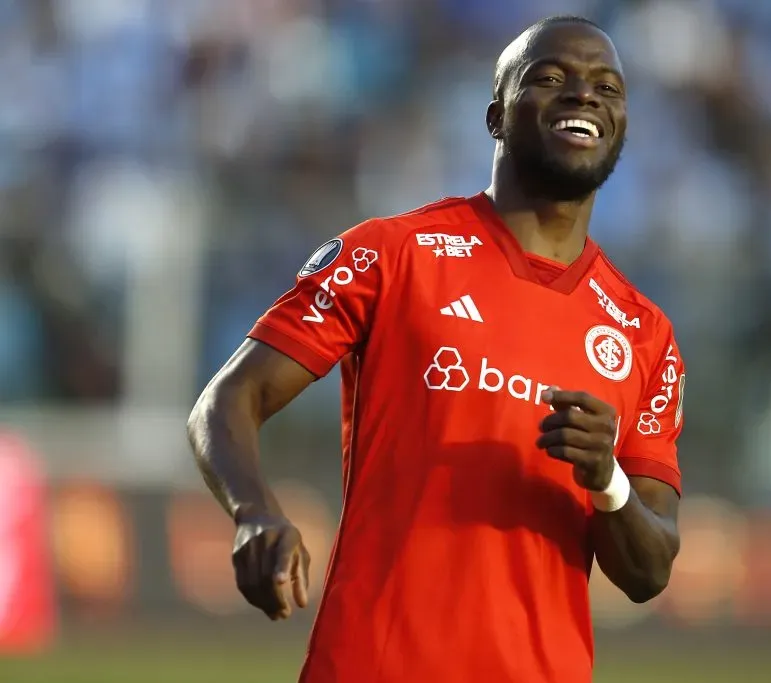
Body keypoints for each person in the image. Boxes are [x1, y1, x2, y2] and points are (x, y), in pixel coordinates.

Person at [187, 15, 686, 683]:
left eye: (607, 86)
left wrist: (608, 479)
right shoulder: (392, 255)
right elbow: (228, 399)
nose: (583, 95)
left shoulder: (643, 332)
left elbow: (649, 570)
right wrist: (254, 511)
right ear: (495, 118)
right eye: (550, 78)